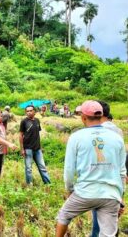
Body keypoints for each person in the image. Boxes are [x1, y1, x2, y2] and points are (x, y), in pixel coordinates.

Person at [56, 100, 126, 237]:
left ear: (83, 117)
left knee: (63, 216)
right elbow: (122, 171)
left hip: (85, 192)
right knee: (107, 234)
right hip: (111, 195)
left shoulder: (76, 137)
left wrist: (70, 189)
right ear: (102, 116)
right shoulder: (117, 137)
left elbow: (69, 170)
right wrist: (120, 197)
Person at [90, 100, 124, 237]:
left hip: (101, 182)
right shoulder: (118, 130)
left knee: (98, 224)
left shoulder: (97, 131)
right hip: (116, 181)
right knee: (110, 220)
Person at [19, 105, 51, 185]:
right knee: (29, 168)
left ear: (35, 112)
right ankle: (29, 185)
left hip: (37, 149)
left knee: (42, 167)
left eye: (31, 111)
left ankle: (48, 184)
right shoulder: (24, 122)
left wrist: (40, 146)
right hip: (28, 149)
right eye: (27, 111)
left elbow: (37, 134)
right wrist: (22, 149)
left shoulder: (37, 120)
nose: (29, 112)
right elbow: (20, 135)